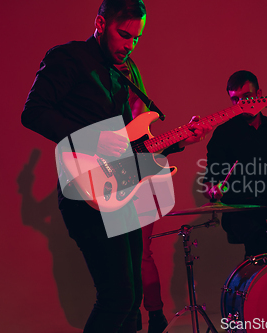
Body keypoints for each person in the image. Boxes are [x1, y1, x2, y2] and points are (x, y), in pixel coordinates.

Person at [21, 1, 210, 332]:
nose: (129, 45)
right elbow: (33, 111)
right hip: (84, 192)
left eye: (136, 38)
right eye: (124, 35)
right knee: (117, 298)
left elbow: (133, 143)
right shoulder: (68, 58)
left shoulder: (128, 71)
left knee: (132, 297)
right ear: (100, 23)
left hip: (122, 189)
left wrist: (181, 141)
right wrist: (93, 141)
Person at [202, 70, 267, 258]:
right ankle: (253, 286)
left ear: (259, 94)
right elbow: (209, 183)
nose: (241, 104)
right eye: (235, 100)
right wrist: (213, 191)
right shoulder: (223, 134)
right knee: (257, 238)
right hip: (237, 211)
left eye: (247, 96)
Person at [114, 58, 168, 333]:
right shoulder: (107, 108)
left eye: (124, 72)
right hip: (116, 184)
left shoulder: (141, 111)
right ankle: (132, 316)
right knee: (124, 256)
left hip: (143, 181)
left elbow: (151, 148)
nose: (120, 75)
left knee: (142, 253)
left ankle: (155, 315)